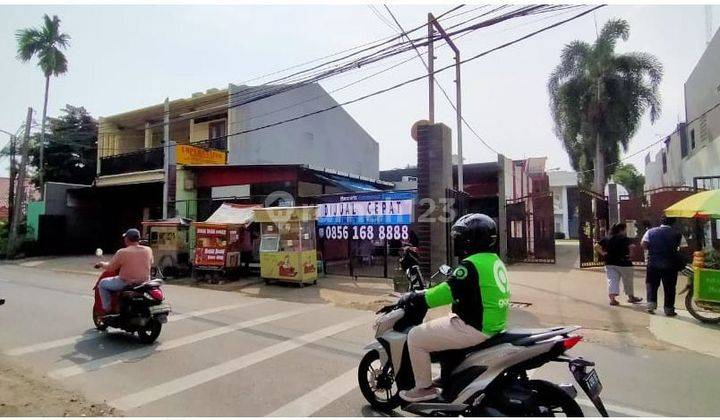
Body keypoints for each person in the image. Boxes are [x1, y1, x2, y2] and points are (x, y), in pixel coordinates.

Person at [398, 214, 510, 403]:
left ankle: (424, 388)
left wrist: (415, 296)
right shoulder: (494, 261)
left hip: (475, 326)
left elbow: (443, 293)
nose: (456, 242)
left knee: (415, 337)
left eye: (460, 237)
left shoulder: (470, 265)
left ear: (471, 239)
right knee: (443, 327)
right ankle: (449, 376)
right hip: (493, 324)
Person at [96, 228, 154, 315]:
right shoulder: (148, 250)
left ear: (127, 239)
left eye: (125, 237)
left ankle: (107, 309)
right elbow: (151, 262)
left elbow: (111, 267)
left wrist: (101, 264)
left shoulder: (122, 252)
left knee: (102, 284)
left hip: (126, 282)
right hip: (144, 282)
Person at [641, 217, 684, 316]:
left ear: (661, 222)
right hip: (671, 264)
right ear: (673, 223)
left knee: (652, 284)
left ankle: (651, 306)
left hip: (653, 263)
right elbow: (684, 247)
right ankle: (669, 310)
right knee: (670, 287)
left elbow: (643, 244)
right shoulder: (677, 233)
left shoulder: (650, 232)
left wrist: (653, 249)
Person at [595, 223, 642, 306]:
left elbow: (596, 246)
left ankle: (613, 299)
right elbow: (631, 247)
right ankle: (631, 297)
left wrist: (603, 253)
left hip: (610, 262)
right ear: (622, 229)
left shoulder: (607, 238)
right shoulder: (624, 238)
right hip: (624, 262)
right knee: (627, 281)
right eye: (625, 229)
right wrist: (631, 254)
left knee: (612, 280)